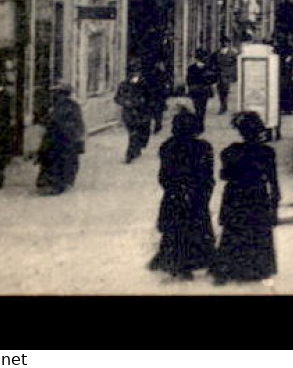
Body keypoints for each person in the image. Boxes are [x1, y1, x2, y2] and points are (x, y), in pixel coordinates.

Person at [212, 111, 280, 285]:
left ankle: (228, 267)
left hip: (235, 195)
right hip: (257, 195)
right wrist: (274, 207)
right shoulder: (266, 152)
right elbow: (273, 181)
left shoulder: (230, 152)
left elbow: (224, 175)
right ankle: (256, 268)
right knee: (257, 232)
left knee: (234, 231)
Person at [148, 108, 215, 281]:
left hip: (175, 195)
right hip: (197, 195)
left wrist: (173, 189)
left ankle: (175, 260)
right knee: (197, 227)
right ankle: (197, 259)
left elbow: (164, 176)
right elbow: (208, 175)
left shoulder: (168, 147)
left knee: (175, 229)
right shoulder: (203, 147)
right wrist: (204, 192)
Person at [35, 84, 85, 194]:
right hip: (54, 138)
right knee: (51, 160)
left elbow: (76, 123)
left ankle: (58, 184)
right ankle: (51, 183)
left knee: (61, 161)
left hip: (64, 138)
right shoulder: (55, 106)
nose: (55, 95)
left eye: (58, 93)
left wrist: (75, 135)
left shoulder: (70, 106)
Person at [115, 71, 153, 163]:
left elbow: (150, 98)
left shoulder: (143, 85)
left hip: (141, 112)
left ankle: (137, 149)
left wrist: (144, 103)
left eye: (137, 75)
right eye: (133, 75)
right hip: (129, 113)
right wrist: (125, 102)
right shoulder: (124, 85)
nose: (135, 77)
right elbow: (117, 98)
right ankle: (130, 155)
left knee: (141, 132)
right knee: (133, 133)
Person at [185, 49, 215, 127]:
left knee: (197, 107)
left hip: (195, 90)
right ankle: (201, 122)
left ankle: (199, 122)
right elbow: (213, 80)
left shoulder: (191, 68)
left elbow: (188, 80)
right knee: (203, 107)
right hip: (204, 90)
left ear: (196, 58)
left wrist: (190, 88)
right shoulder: (208, 68)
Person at [214, 44, 237, 116]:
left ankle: (223, 107)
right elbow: (213, 63)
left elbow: (235, 64)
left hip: (227, 75)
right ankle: (223, 105)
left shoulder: (232, 54)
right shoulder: (217, 53)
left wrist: (232, 74)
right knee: (220, 91)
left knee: (225, 91)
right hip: (219, 75)